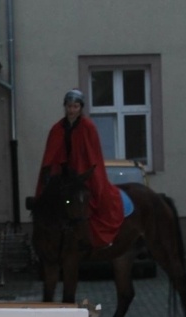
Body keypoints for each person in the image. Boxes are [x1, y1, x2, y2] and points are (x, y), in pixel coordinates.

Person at [36, 88, 124, 249]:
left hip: (82, 173)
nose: (72, 110)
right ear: (65, 107)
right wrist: (49, 172)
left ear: (80, 108)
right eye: (69, 106)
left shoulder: (88, 127)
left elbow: (93, 154)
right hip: (62, 173)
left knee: (95, 196)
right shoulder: (57, 129)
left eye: (75, 106)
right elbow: (51, 155)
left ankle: (94, 237)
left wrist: (85, 173)